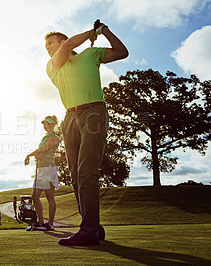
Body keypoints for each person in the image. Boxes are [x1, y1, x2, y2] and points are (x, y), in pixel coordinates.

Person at [44, 21, 128, 245]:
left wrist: (105, 31)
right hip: (69, 118)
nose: (49, 49)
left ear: (61, 41)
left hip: (94, 112)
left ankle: (89, 229)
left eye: (51, 44)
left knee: (86, 169)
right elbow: (70, 44)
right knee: (74, 174)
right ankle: (91, 226)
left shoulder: (90, 54)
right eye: (47, 47)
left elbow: (122, 52)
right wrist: (93, 32)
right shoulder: (53, 65)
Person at [24, 115, 60, 231]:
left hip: (48, 169)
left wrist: (30, 155)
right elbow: (41, 150)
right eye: (44, 124)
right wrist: (37, 154)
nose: (45, 126)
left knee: (50, 197)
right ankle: (41, 222)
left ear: (53, 125)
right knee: (34, 196)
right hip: (41, 168)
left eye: (48, 123)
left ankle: (50, 224)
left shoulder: (54, 138)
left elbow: (44, 149)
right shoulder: (45, 137)